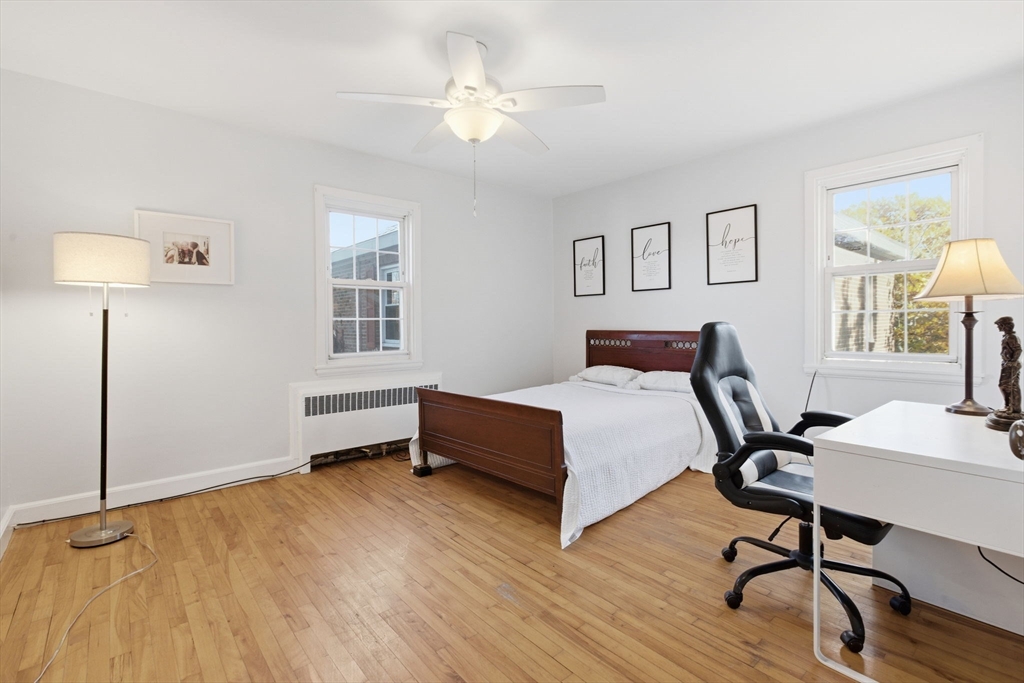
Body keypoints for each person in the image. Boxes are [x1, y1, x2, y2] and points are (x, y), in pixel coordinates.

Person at [994, 316, 1022, 419]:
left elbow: (1018, 350)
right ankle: (1009, 406)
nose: (998, 327)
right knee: (1006, 385)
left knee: (1008, 385)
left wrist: (1013, 361)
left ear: (1005, 326)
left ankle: (1013, 408)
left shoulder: (1011, 337)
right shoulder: (1006, 337)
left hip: (1011, 364)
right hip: (1007, 363)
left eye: (999, 325)